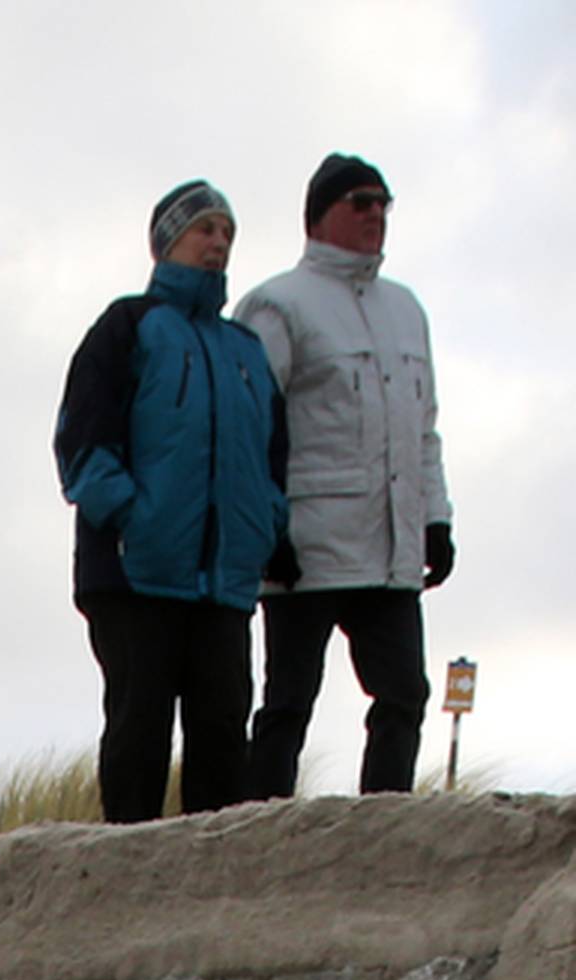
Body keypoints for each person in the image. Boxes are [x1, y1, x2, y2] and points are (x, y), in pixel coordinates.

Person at [54, 180, 290, 824]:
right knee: (139, 737)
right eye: (204, 229)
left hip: (222, 585)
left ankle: (211, 895)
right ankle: (124, 882)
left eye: (227, 232)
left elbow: (274, 456)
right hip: (136, 574)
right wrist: (133, 516)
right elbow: (80, 441)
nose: (218, 242)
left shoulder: (245, 350)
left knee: (222, 745)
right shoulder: (126, 326)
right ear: (166, 241)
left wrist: (268, 526)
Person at [234, 156, 453, 797]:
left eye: (384, 203)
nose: (376, 215)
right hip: (305, 545)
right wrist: (269, 529)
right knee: (288, 706)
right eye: (361, 202)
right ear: (321, 212)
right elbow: (251, 427)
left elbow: (424, 431)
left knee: (405, 695)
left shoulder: (407, 309)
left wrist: (435, 518)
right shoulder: (278, 303)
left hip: (391, 548)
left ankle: (382, 833)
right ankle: (258, 834)